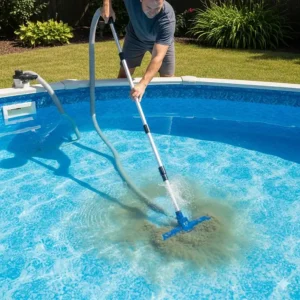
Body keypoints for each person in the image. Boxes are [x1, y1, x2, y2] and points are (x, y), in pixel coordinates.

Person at [101, 0, 176, 101]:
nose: (153, 12)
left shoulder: (167, 18)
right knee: (124, 76)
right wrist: (107, 5)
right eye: (149, 8)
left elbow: (158, 57)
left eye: (157, 8)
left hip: (159, 41)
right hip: (135, 36)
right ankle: (121, 105)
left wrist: (143, 84)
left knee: (168, 80)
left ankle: (165, 108)